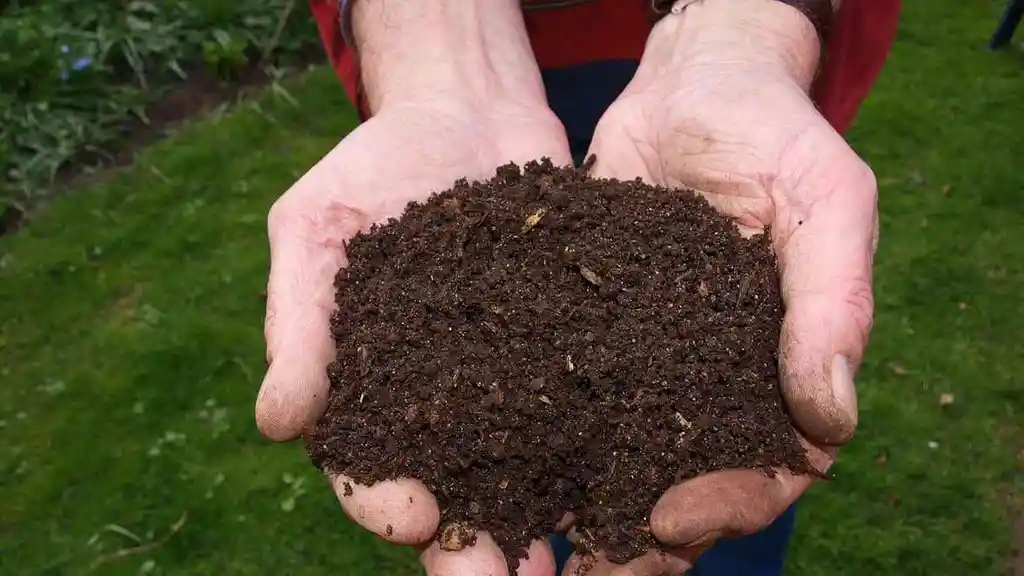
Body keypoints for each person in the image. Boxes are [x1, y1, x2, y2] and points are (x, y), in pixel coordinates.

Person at [255, 1, 900, 574]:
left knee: (720, 503)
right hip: (470, 62)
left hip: (726, 51)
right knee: (579, 513)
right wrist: (438, 39)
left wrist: (748, 27)